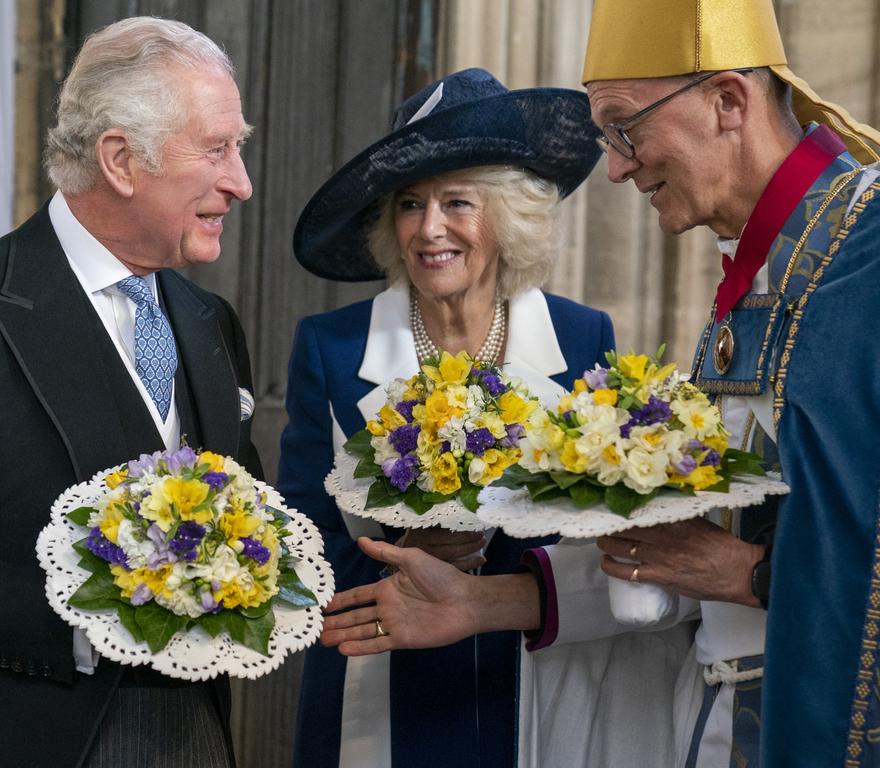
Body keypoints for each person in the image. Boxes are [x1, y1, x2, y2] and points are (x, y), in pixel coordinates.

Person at [326, 1, 880, 766]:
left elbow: (739, 564)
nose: (616, 165)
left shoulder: (867, 257)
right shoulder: (754, 277)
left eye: (625, 126)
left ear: (727, 102)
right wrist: (481, 601)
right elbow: (689, 556)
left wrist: (755, 575)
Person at [0, 17, 257, 768]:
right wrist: (88, 622)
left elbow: (248, 514)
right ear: (120, 160)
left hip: (195, 737)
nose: (240, 181)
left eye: (238, 148)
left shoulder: (211, 323)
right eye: (216, 149)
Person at [281, 68, 692, 768]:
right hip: (377, 680)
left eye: (457, 202)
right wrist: (397, 553)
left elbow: (606, 521)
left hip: (534, 678)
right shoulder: (334, 347)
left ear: (509, 216)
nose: (429, 229)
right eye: (409, 204)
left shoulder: (583, 337)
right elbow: (297, 529)